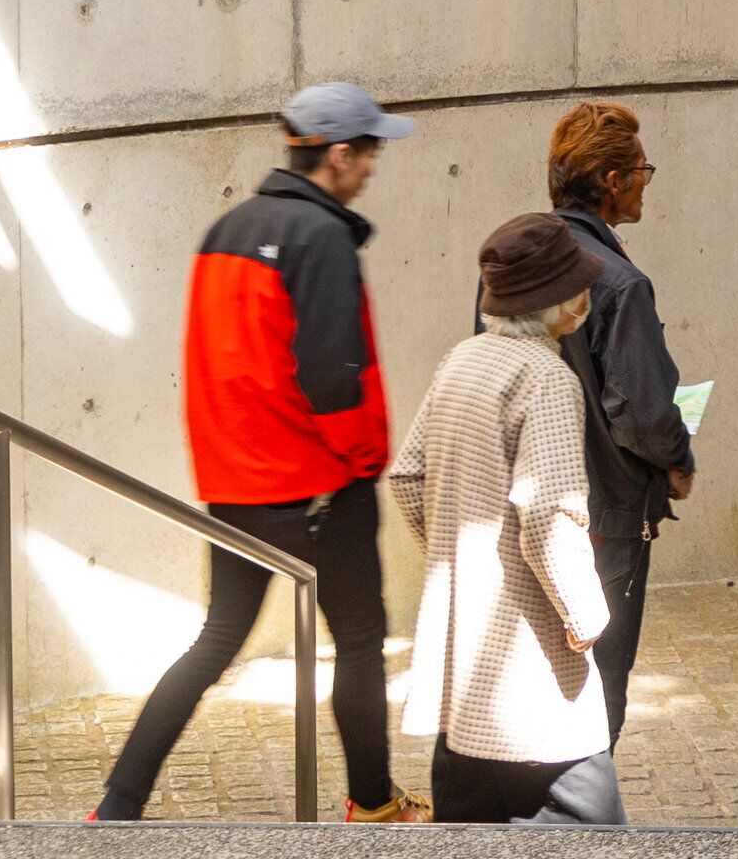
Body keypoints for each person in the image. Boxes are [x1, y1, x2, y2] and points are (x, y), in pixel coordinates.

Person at [96, 81, 427, 824]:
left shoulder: (226, 228)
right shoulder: (324, 238)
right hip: (316, 488)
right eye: (368, 150)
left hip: (237, 490)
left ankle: (116, 808)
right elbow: (333, 376)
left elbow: (220, 363)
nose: (373, 165)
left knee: (215, 641)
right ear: (337, 154)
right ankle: (372, 803)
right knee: (362, 644)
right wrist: (364, 462)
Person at [393, 214, 621, 825]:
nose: (587, 296)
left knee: (470, 824)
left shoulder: (463, 359)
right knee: (594, 826)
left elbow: (408, 475)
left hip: (463, 658)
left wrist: (456, 552)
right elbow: (550, 511)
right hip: (531, 657)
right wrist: (584, 613)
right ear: (557, 299)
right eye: (580, 285)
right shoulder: (546, 377)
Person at [534, 101, 694, 742]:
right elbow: (646, 416)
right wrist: (678, 460)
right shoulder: (621, 283)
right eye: (641, 171)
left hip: (532, 508)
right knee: (601, 695)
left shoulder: (523, 259)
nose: (645, 183)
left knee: (546, 681)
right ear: (611, 182)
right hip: (606, 515)